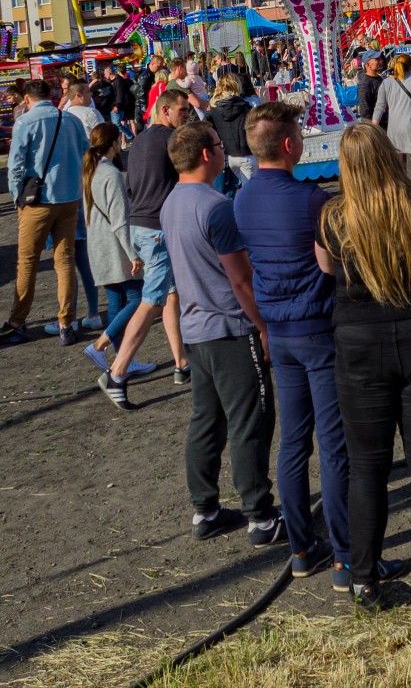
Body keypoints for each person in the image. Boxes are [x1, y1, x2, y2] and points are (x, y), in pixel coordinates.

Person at [232, 100, 395, 591]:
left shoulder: (241, 200)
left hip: (277, 331)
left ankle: (302, 548)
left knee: (293, 442)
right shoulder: (312, 202)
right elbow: (330, 263)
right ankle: (347, 555)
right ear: (288, 144)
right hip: (318, 329)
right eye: (300, 134)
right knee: (334, 442)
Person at [316, 125, 411, 608]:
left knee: (367, 466)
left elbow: (326, 266)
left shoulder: (335, 215)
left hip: (360, 342)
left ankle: (364, 581)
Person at [157, 120, 282, 547]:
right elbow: (240, 280)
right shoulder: (216, 207)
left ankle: (205, 508)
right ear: (208, 153)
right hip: (230, 327)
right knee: (251, 419)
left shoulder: (171, 202)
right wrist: (263, 327)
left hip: (196, 329)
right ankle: (260, 517)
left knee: (206, 421)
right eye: (217, 142)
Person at [98, 86, 197, 402]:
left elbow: (132, 187)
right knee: (152, 300)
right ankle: (116, 372)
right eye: (183, 110)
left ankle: (181, 363)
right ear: (165, 109)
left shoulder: (139, 140)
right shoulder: (170, 141)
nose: (187, 116)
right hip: (158, 228)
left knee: (169, 297)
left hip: (142, 225)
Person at [0, 79, 89, 346]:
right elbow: (86, 151)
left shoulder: (26, 121)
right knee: (65, 260)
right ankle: (66, 323)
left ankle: (17, 323)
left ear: (27, 98)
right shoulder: (70, 120)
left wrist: (16, 197)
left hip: (38, 201)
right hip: (69, 198)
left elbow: (17, 164)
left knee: (27, 262)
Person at [80, 123, 154, 378]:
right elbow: (120, 219)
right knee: (139, 298)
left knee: (115, 300)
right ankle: (101, 345)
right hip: (115, 246)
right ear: (114, 142)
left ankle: (121, 358)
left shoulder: (91, 170)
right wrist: (133, 254)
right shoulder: (110, 174)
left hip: (98, 244)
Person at [372, 54, 411, 182]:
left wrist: (373, 125)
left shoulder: (386, 83)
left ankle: (403, 200)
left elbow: (380, 107)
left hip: (394, 131)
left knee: (398, 174)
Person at [206, 75, 256, 187]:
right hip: (246, 154)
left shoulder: (214, 109)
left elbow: (207, 128)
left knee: (235, 190)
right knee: (251, 191)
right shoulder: (245, 106)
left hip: (229, 155)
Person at [354, 53, 385, 122]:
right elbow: (365, 110)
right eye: (377, 59)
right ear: (368, 65)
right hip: (377, 126)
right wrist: (370, 129)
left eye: (380, 58)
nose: (381, 60)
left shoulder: (380, 78)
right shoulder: (365, 83)